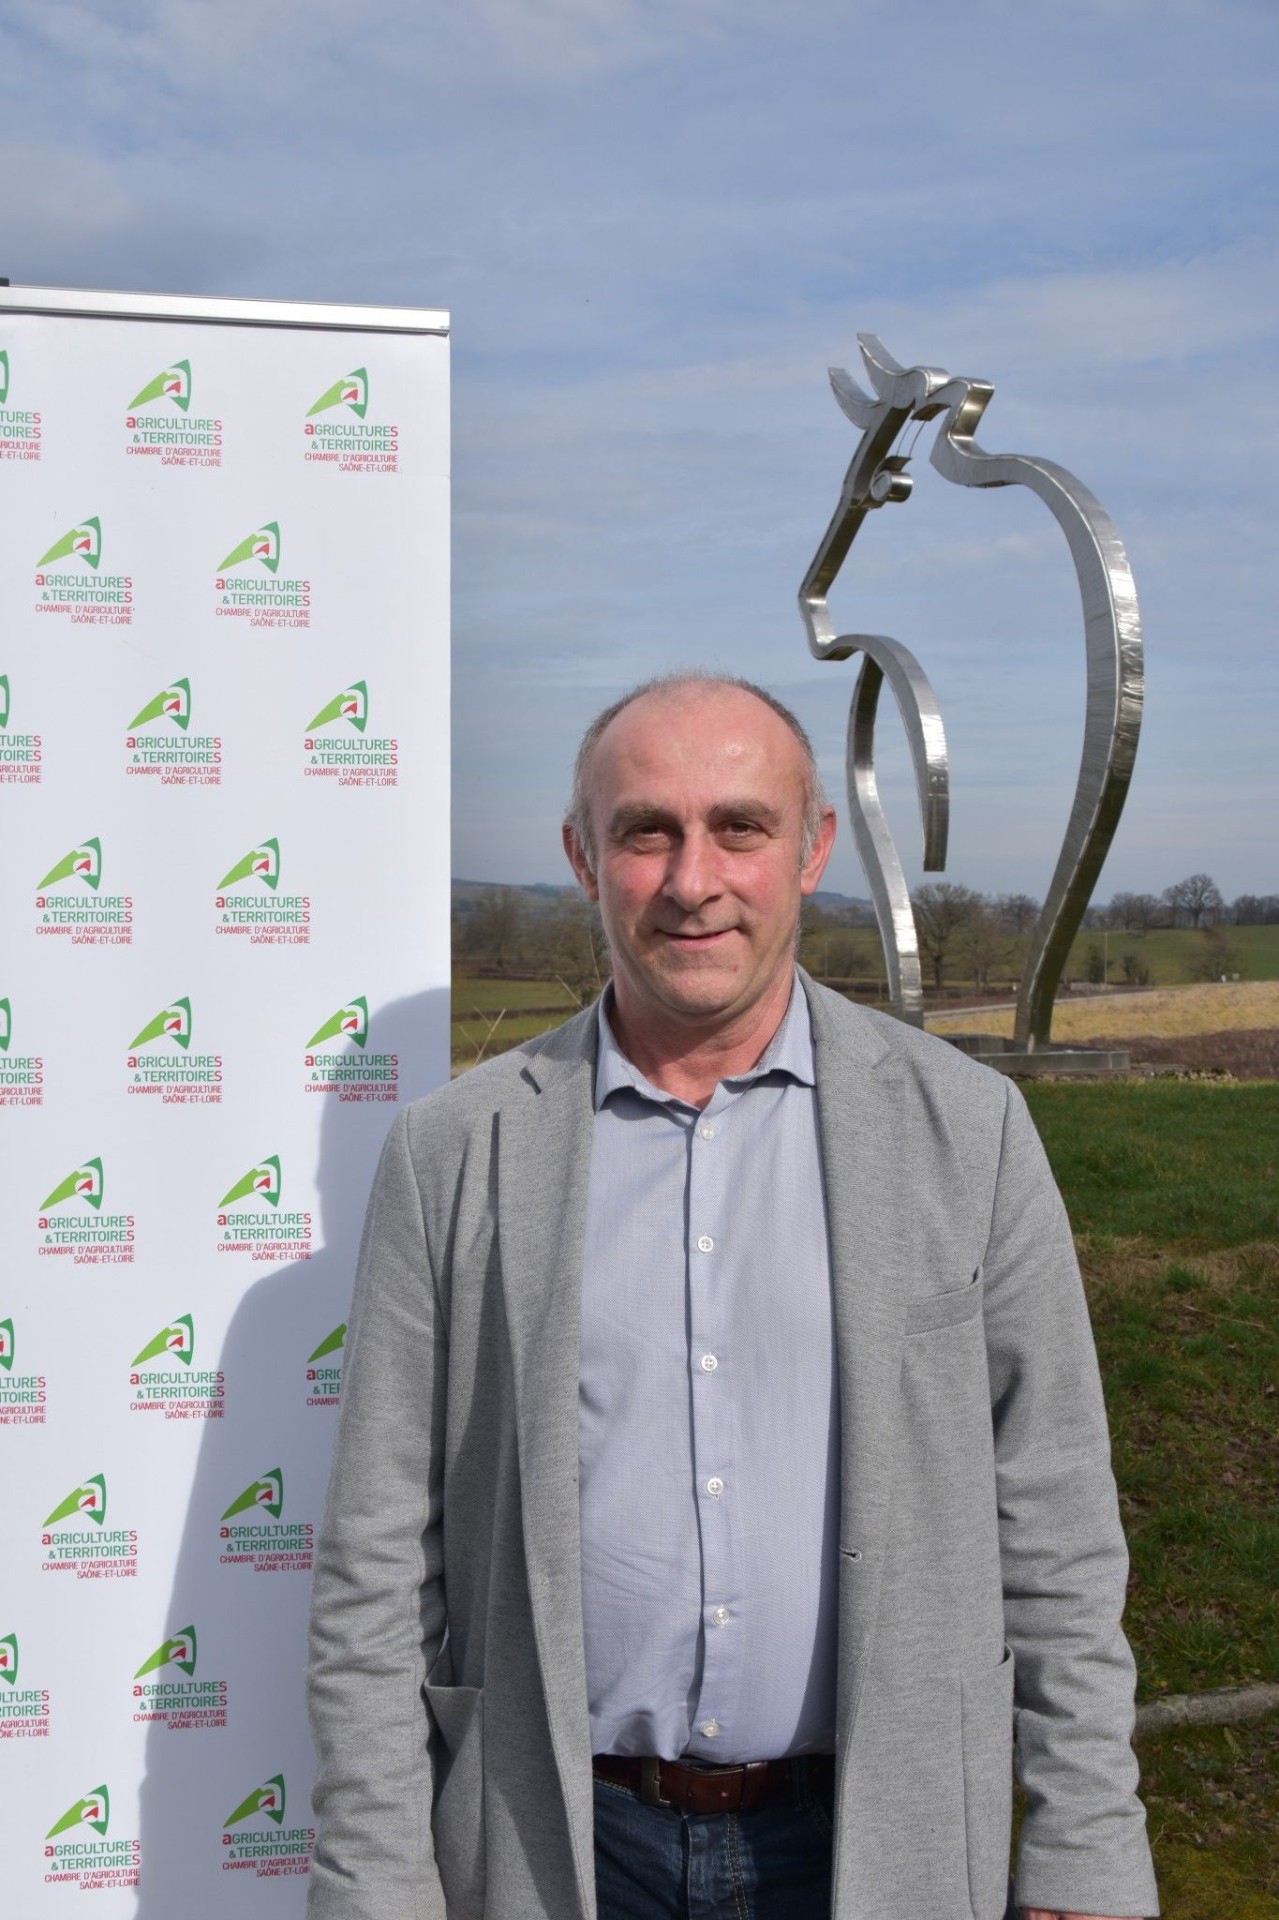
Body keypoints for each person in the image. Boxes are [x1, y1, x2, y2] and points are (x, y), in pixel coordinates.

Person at [306, 673, 1159, 1920]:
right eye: (645, 830)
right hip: (559, 1849)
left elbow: (1058, 1525)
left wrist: (1087, 1844)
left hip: (881, 1841)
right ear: (582, 859)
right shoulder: (455, 1154)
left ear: (811, 848)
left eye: (739, 828)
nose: (691, 878)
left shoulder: (966, 1131)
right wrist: (376, 1881)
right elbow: (378, 1563)